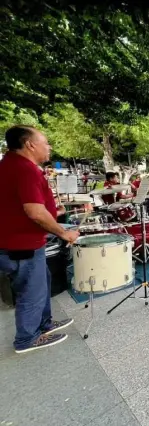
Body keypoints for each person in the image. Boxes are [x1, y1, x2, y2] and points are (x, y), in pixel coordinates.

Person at [0, 126, 80, 353]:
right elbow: (34, 212)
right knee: (31, 291)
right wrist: (64, 233)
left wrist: (54, 211)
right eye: (45, 142)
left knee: (41, 282)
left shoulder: (10, 165)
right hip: (20, 245)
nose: (49, 147)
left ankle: (44, 324)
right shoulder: (25, 169)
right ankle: (27, 338)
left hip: (19, 242)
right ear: (30, 144)